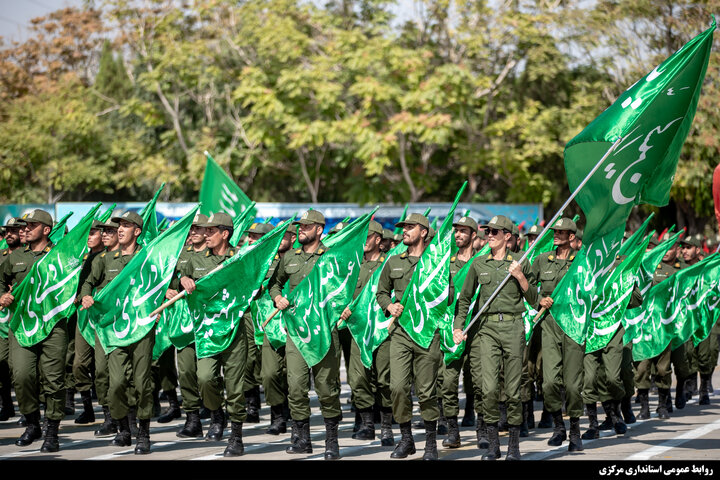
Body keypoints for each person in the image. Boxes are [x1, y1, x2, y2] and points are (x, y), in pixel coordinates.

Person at [453, 215, 537, 461]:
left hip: (513, 327)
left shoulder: (521, 262)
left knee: (512, 391)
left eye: (495, 231)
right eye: (487, 231)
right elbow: (465, 299)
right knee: (488, 389)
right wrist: (459, 327)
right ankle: (493, 444)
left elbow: (534, 299)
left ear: (507, 236)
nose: (489, 234)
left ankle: (513, 445)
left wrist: (520, 277)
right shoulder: (479, 264)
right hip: (486, 329)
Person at [268, 209, 344, 460]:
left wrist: (343, 308)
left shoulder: (331, 257)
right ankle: (302, 438)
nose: (301, 230)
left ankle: (332, 440)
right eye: (300, 226)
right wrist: (277, 297)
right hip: (296, 331)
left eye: (307, 227)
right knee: (297, 387)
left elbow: (343, 287)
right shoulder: (289, 257)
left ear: (319, 230)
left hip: (324, 331)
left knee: (325, 388)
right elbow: (274, 283)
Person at [81, 210, 153, 454]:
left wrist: (171, 289)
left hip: (141, 328)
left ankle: (143, 432)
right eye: (118, 226)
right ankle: (123, 428)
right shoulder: (105, 259)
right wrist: (86, 296)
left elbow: (164, 279)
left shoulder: (147, 256)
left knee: (142, 383)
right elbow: (88, 282)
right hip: (114, 331)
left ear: (137, 231)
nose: (119, 229)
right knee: (117, 383)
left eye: (125, 225)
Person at [376, 213, 445, 461]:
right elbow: (381, 292)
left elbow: (449, 295)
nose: (404, 230)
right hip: (401, 334)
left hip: (427, 333)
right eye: (403, 227)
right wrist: (389, 306)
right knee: (397, 388)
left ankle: (429, 443)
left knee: (426, 391)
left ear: (423, 232)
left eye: (410, 227)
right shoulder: (394, 261)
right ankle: (406, 439)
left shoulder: (436, 263)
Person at [179, 212, 248, 456]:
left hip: (233, 331)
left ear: (225, 234)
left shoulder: (239, 259)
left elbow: (253, 285)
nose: (205, 235)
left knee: (235, 386)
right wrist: (184, 279)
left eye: (210, 231)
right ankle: (216, 413)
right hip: (207, 331)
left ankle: (236, 436)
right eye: (204, 231)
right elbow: (178, 278)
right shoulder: (195, 259)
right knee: (205, 378)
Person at [0, 209, 67, 452]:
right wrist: (3, 295)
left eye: (31, 225)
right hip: (22, 326)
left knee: (53, 380)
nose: (24, 229)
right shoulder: (15, 257)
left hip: (52, 326)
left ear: (46, 230)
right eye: (23, 226)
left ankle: (52, 431)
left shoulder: (60, 256)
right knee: (22, 376)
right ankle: (32, 423)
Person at [528, 218, 584, 452]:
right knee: (549, 382)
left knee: (572, 385)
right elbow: (527, 284)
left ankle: (575, 429)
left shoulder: (581, 262)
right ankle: (558, 427)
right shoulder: (543, 260)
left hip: (573, 325)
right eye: (555, 231)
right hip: (549, 324)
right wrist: (538, 300)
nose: (556, 235)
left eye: (561, 232)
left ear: (572, 237)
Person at [339, 220, 393, 444]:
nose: (364, 241)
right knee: (358, 378)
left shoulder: (388, 264)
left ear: (378, 240)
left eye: (368, 236)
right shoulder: (353, 264)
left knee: (385, 378)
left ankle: (387, 426)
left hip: (382, 329)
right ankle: (367, 423)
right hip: (358, 330)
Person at [162, 212, 208, 437]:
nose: (193, 232)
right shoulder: (180, 255)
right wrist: (169, 289)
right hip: (185, 323)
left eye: (198, 228)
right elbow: (164, 281)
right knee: (187, 371)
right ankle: (192, 418)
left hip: (210, 323)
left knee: (208, 375)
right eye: (191, 229)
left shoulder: (216, 255)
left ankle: (216, 412)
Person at [439, 216, 477, 449]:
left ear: (474, 235)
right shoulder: (446, 263)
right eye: (456, 231)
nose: (458, 235)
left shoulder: (483, 262)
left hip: (478, 328)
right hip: (451, 329)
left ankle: (482, 427)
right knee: (448, 381)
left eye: (464, 231)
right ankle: (453, 430)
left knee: (479, 381)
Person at [259, 224, 296, 435]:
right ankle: (277, 415)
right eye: (279, 235)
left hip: (298, 324)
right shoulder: (265, 261)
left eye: (287, 235)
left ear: (294, 238)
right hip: (271, 323)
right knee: (270, 373)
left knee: (293, 374)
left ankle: (293, 410)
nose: (282, 238)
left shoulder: (300, 259)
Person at [71, 220, 106, 425]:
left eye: (93, 233)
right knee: (79, 364)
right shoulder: (82, 258)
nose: (89, 237)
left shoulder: (109, 257)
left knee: (103, 368)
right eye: (88, 233)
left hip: (105, 316)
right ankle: (87, 408)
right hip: (84, 316)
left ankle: (109, 413)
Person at [242, 222, 275, 424]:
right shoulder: (243, 259)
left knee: (270, 369)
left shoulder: (276, 261)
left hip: (270, 318)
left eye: (255, 236)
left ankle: (278, 410)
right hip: (248, 316)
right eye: (250, 236)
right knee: (247, 362)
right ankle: (251, 406)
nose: (251, 240)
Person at [0, 217, 25, 422]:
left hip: (25, 320)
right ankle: (7, 405)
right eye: (6, 231)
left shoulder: (31, 258)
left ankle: (29, 411)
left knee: (20, 367)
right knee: (3, 363)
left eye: (13, 230)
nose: (9, 234)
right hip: (3, 319)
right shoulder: (3, 256)